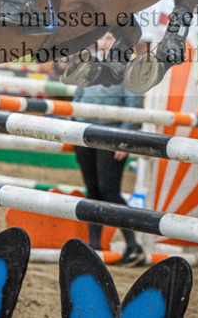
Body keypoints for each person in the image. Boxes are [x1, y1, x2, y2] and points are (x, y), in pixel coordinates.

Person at [71, 32, 146, 266]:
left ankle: (133, 245)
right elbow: (77, 99)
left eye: (111, 38)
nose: (104, 43)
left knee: (109, 191)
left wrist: (124, 139)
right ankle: (94, 247)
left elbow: (134, 108)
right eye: (102, 38)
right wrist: (72, 129)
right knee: (92, 190)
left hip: (112, 137)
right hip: (84, 136)